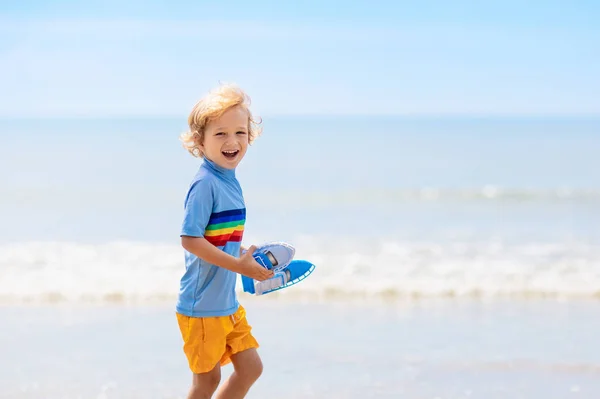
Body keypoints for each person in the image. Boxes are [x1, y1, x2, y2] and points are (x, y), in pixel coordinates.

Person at [176, 83, 274, 399]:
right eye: (220, 134)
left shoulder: (228, 181)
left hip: (226, 304)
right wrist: (238, 266)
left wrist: (245, 255)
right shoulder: (205, 184)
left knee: (250, 369)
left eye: (240, 133)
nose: (232, 141)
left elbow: (218, 238)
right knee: (206, 381)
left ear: (250, 136)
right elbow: (191, 240)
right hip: (202, 306)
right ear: (199, 141)